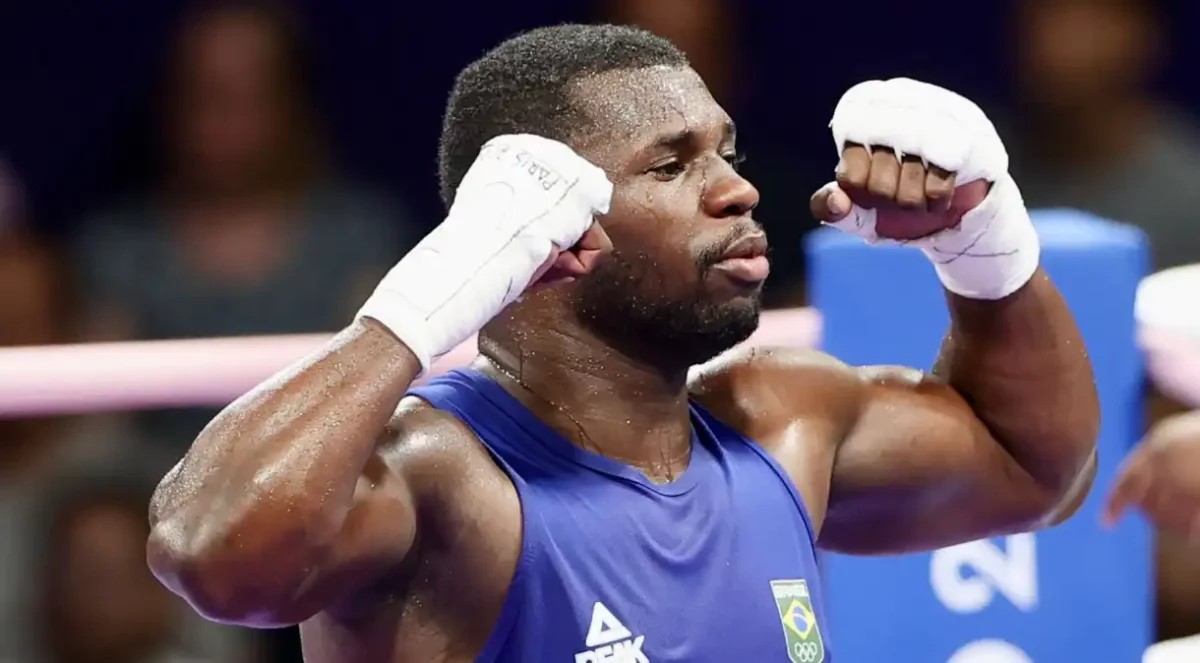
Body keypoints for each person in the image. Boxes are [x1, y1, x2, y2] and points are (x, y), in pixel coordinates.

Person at [147, 25, 1099, 663]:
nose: (736, 188)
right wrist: (422, 303)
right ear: (547, 228)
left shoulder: (782, 420)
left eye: (723, 150)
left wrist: (981, 245)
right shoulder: (443, 477)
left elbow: (1032, 465)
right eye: (672, 164)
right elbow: (212, 556)